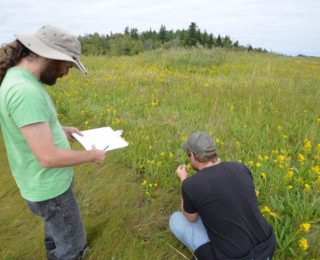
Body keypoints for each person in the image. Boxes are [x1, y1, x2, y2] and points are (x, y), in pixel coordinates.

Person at [0, 25, 106, 259]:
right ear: (50, 56)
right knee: (72, 244)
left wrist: (61, 129)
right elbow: (48, 157)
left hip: (38, 185)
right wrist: (92, 155)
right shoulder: (25, 91)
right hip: (50, 189)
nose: (65, 73)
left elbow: (28, 128)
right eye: (67, 65)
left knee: (55, 231)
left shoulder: (18, 79)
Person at [169, 132, 276, 260]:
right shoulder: (241, 168)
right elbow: (253, 199)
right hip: (267, 247)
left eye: (188, 154)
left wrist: (183, 181)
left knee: (176, 219)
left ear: (193, 155)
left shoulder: (191, 185)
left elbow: (190, 217)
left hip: (234, 257)